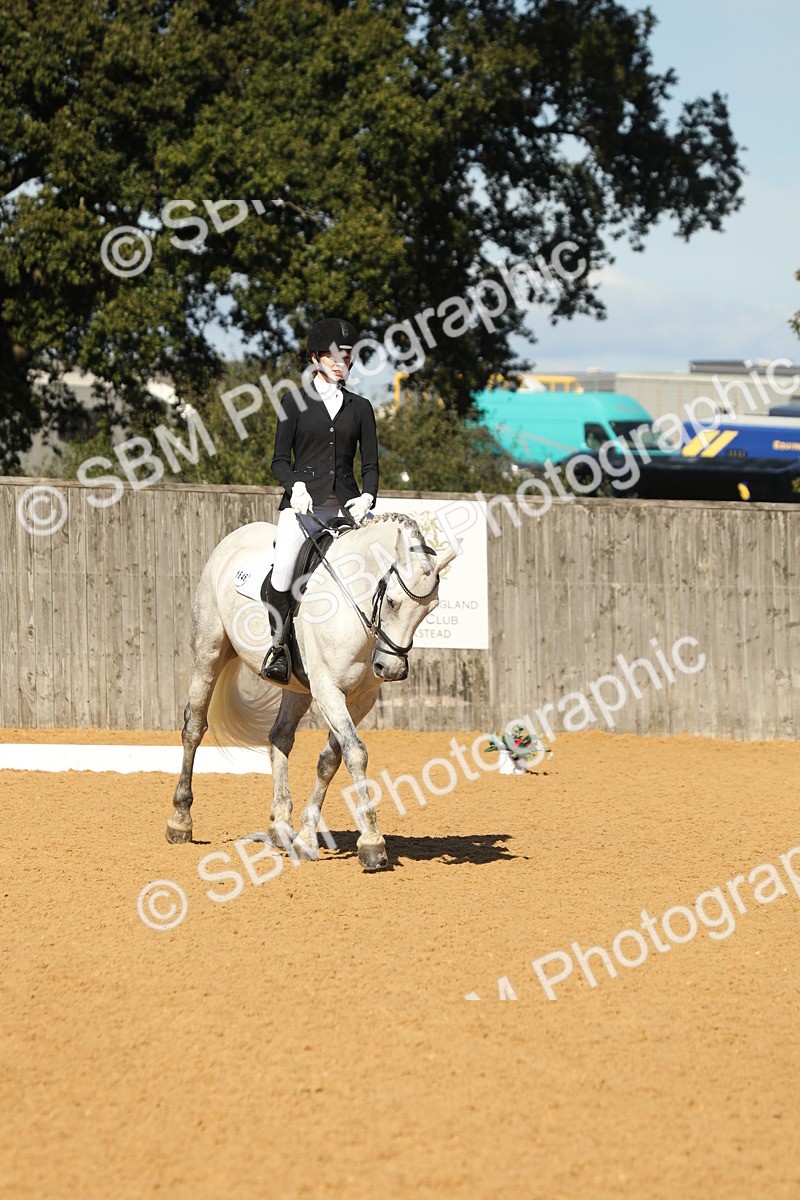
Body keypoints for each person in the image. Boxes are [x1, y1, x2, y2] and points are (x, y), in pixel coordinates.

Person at [259, 317, 380, 684]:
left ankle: (377, 646)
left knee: (378, 567)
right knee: (282, 573)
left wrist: (368, 497)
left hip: (344, 509)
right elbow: (279, 459)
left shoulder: (360, 408)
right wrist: (294, 486)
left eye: (345, 356)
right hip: (302, 510)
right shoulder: (293, 402)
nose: (340, 362)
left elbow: (371, 464)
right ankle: (279, 649)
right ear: (315, 358)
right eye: (332, 357)